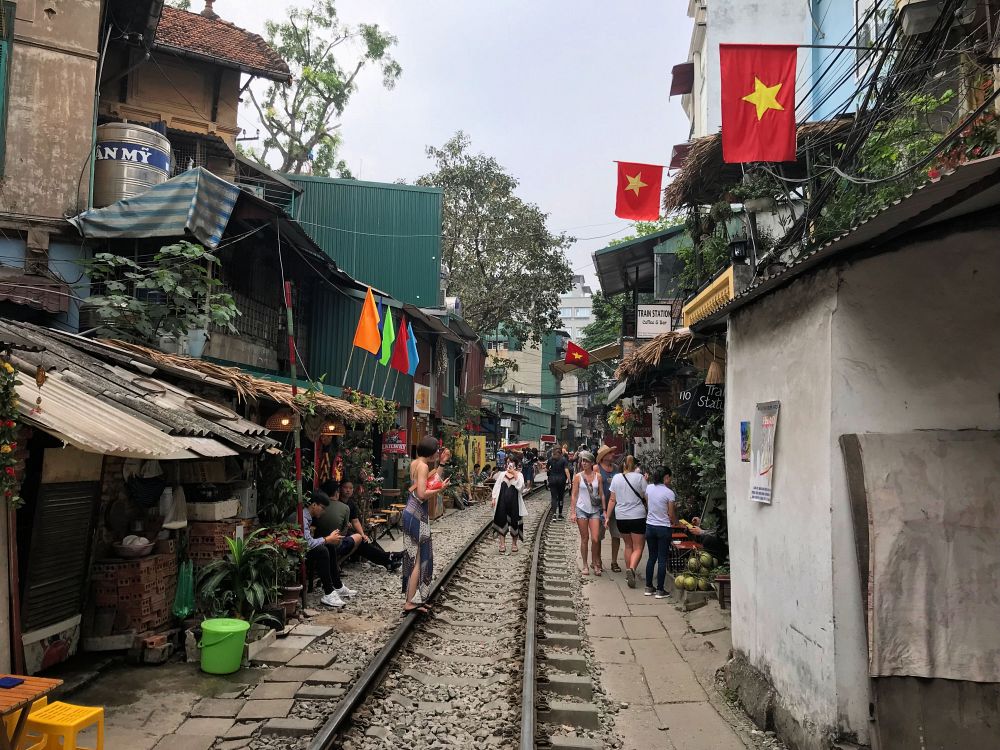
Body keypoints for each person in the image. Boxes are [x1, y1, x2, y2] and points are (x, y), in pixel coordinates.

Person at [402, 436, 449, 615]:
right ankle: (410, 601)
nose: (438, 453)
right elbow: (422, 493)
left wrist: (442, 464)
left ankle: (416, 599)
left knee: (416, 556)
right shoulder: (422, 466)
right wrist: (440, 490)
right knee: (418, 558)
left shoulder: (416, 464)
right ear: (430, 452)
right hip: (417, 514)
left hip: (412, 512)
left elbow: (431, 479)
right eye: (436, 451)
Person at [323, 479, 402, 573]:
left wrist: (362, 534)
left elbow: (355, 521)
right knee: (360, 542)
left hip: (344, 532)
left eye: (350, 488)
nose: (348, 490)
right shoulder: (337, 504)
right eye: (345, 488)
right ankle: (388, 558)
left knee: (362, 541)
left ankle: (387, 559)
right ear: (339, 490)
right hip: (336, 534)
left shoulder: (351, 504)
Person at [302, 490, 358, 608]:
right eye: (322, 508)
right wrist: (327, 539)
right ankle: (328, 592)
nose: (323, 511)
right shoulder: (303, 517)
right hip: (298, 550)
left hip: (303, 547)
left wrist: (328, 540)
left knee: (330, 547)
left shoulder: (308, 517)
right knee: (323, 551)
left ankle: (337, 586)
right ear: (314, 505)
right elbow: (308, 544)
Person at [607, 455, 648, 588]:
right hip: (637, 516)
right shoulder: (640, 478)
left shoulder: (616, 478)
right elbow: (646, 496)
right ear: (635, 466)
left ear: (623, 465)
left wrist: (607, 517)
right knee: (638, 547)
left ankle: (628, 573)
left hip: (621, 517)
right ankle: (632, 569)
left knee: (628, 545)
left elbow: (612, 499)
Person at [569, 450, 605, 576]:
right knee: (585, 538)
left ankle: (595, 562)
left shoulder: (598, 477)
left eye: (586, 461)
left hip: (594, 510)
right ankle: (585, 564)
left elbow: (601, 494)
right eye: (582, 461)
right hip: (582, 509)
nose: (583, 463)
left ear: (591, 463)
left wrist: (604, 511)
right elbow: (574, 495)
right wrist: (573, 512)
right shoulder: (578, 477)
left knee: (595, 539)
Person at [644, 467, 677, 598]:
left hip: (650, 526)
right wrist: (676, 522)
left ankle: (648, 587)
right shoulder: (669, 493)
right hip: (663, 528)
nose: (670, 480)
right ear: (666, 477)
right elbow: (670, 514)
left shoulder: (649, 488)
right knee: (662, 559)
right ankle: (660, 590)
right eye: (670, 477)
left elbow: (648, 504)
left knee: (652, 557)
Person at [596, 445, 622, 572]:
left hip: (616, 507)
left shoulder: (616, 469)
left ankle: (614, 561)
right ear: (603, 456)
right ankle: (598, 560)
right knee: (598, 536)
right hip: (600, 508)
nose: (613, 455)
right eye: (610, 453)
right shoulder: (597, 469)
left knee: (616, 535)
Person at [491, 458, 525, 553]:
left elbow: (521, 488)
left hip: (515, 503)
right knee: (501, 520)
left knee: (515, 522)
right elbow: (497, 486)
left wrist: (514, 474)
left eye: (511, 462)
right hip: (502, 501)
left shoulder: (519, 475)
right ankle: (502, 544)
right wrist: (493, 498)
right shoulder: (502, 474)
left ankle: (514, 544)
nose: (509, 465)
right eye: (508, 462)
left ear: (515, 464)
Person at [546, 445, 572, 520]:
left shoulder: (550, 459)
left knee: (553, 497)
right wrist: (569, 481)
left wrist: (550, 471)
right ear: (561, 452)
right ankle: (560, 514)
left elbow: (547, 469)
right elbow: (566, 470)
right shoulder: (564, 460)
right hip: (561, 480)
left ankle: (554, 514)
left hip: (552, 480)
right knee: (561, 497)